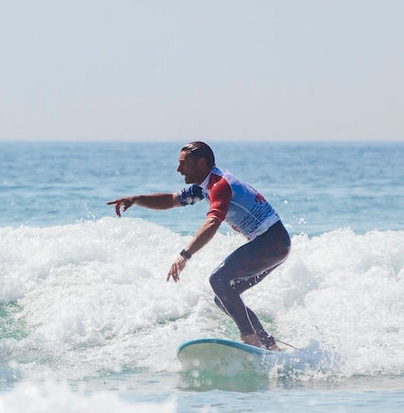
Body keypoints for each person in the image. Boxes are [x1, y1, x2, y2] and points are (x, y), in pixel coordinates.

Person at [108, 142, 289, 350]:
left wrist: (185, 255)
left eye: (183, 164)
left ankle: (250, 339)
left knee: (219, 280)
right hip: (274, 244)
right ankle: (270, 346)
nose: (178, 169)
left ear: (201, 163)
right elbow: (172, 200)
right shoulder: (204, 187)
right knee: (224, 297)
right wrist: (136, 199)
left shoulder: (219, 186)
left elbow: (213, 222)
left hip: (271, 242)